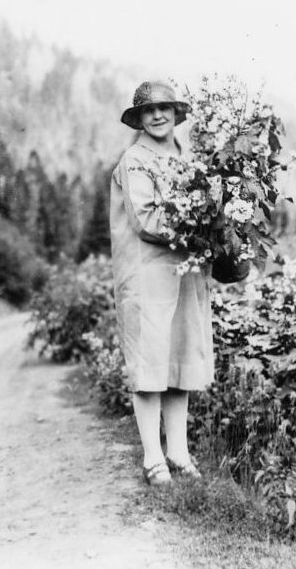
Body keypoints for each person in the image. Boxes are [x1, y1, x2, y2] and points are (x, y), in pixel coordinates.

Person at [109, 81, 214, 486]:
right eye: (147, 111)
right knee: (150, 361)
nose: (157, 116)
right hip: (147, 272)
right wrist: (200, 227)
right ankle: (153, 456)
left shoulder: (188, 159)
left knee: (178, 356)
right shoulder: (135, 160)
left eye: (164, 108)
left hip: (185, 272)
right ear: (137, 119)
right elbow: (146, 219)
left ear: (175, 112)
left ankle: (178, 451)